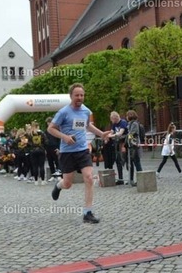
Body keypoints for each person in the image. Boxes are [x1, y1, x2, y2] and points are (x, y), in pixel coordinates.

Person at [48, 83, 110, 224]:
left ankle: (87, 213)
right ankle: (58, 185)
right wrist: (64, 137)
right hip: (67, 152)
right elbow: (51, 128)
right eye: (77, 95)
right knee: (68, 183)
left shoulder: (86, 111)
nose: (80, 97)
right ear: (71, 96)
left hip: (82, 150)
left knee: (89, 177)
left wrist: (101, 134)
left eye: (82, 95)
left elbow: (87, 125)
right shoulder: (63, 112)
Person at [108, 111, 128, 185]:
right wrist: (109, 135)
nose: (111, 121)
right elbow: (111, 132)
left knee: (126, 161)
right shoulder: (114, 124)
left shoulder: (123, 122)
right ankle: (120, 179)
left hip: (124, 144)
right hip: (117, 144)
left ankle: (130, 179)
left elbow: (120, 133)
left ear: (115, 118)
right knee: (118, 161)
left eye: (112, 119)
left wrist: (111, 136)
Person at [125, 110, 143, 186]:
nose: (126, 117)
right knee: (131, 163)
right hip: (131, 145)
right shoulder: (130, 124)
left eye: (127, 115)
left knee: (137, 162)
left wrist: (127, 137)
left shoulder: (134, 124)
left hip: (135, 145)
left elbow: (132, 134)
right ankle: (131, 179)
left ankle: (141, 180)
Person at [44, 117, 61, 182]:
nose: (48, 123)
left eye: (50, 122)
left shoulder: (56, 130)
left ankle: (59, 175)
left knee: (57, 161)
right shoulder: (46, 131)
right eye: (48, 122)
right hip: (48, 148)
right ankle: (53, 175)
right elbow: (44, 141)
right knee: (50, 162)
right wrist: (45, 149)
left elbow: (59, 139)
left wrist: (58, 148)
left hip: (55, 147)